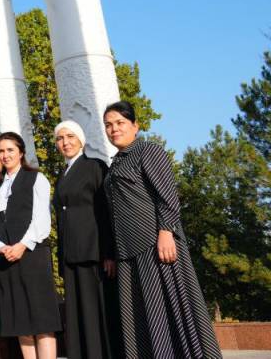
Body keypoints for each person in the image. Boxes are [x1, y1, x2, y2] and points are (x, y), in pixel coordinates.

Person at [103, 101, 221, 358]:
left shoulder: (148, 150)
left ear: (135, 126)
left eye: (120, 123)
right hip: (128, 253)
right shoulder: (114, 165)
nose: (114, 129)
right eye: (108, 125)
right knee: (142, 319)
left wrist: (166, 232)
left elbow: (167, 196)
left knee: (169, 312)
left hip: (155, 246)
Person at [0, 132, 61, 359]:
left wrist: (23, 244)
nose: (5, 155)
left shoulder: (36, 178)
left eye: (10, 150)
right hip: (6, 259)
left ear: (21, 152)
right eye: (1, 151)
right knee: (20, 319)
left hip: (32, 255)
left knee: (41, 318)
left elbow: (42, 218)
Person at [52, 121, 119, 359]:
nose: (65, 142)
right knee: (78, 315)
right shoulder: (62, 175)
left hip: (94, 252)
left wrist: (109, 252)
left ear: (81, 140)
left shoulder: (94, 166)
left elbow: (106, 211)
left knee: (97, 312)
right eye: (60, 138)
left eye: (70, 136)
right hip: (71, 255)